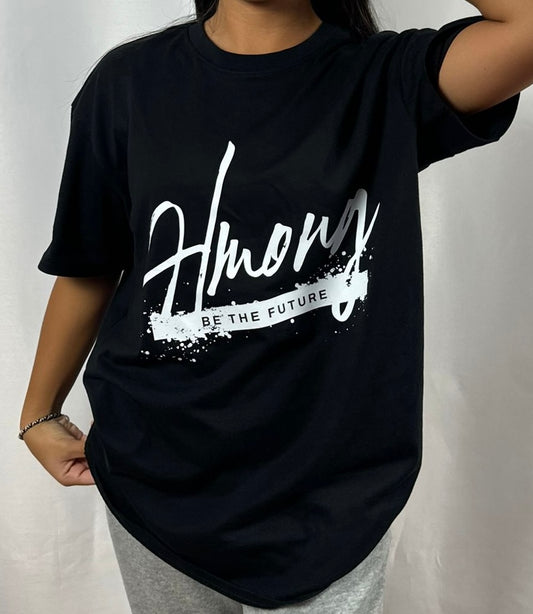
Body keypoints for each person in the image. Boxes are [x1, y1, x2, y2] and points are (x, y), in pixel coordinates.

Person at [19, 0, 531, 612]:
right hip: (155, 474)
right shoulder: (127, 82)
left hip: (330, 502)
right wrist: (38, 412)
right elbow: (90, 262)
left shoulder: (387, 79)